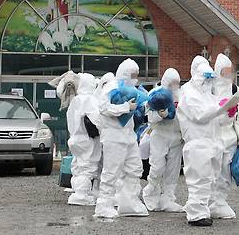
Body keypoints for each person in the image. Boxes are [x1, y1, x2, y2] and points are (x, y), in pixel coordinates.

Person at [93, 59, 148, 218]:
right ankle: (103, 205)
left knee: (135, 168)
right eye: (133, 75)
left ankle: (129, 202)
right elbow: (103, 108)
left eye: (137, 75)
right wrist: (125, 108)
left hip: (128, 135)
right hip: (114, 135)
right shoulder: (112, 86)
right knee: (111, 171)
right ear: (124, 73)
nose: (135, 78)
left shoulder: (131, 89)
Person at [177, 56, 227, 227]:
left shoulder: (208, 94)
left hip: (212, 142)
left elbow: (218, 119)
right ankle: (196, 213)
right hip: (197, 142)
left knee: (210, 178)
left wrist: (229, 112)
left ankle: (204, 209)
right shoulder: (187, 92)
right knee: (198, 178)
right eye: (205, 77)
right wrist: (220, 107)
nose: (208, 81)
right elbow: (200, 115)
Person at [210, 53, 239, 219]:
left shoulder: (235, 90)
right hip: (212, 137)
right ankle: (206, 201)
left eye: (229, 71)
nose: (227, 75)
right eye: (224, 72)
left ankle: (220, 201)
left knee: (225, 172)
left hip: (229, 139)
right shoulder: (209, 88)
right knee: (211, 171)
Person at [143, 68, 185, 212]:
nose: (174, 86)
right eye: (172, 83)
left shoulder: (182, 95)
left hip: (177, 138)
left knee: (173, 170)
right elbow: (149, 118)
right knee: (157, 167)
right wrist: (160, 115)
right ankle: (150, 194)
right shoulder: (154, 94)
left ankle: (168, 198)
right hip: (160, 136)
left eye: (177, 83)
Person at [66, 72, 101, 206]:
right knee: (88, 168)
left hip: (75, 138)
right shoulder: (89, 100)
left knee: (78, 166)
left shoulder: (75, 100)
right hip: (87, 139)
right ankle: (81, 195)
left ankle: (78, 190)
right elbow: (96, 119)